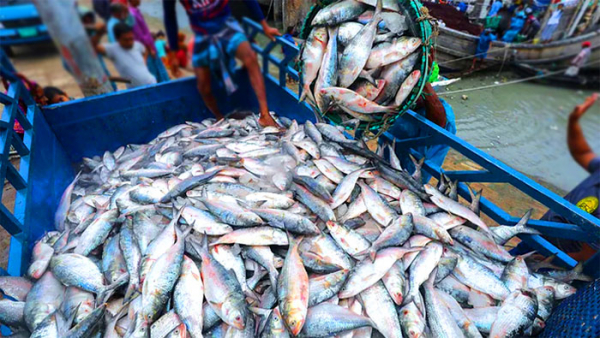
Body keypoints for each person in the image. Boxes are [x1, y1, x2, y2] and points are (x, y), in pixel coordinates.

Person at [163, 0, 281, 126]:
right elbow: (169, 16)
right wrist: (173, 53)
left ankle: (265, 114)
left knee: (251, 57)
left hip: (226, 25)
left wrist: (264, 25)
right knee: (203, 86)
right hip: (202, 34)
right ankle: (219, 118)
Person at [540, 94, 599, 262]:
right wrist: (574, 121)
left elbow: (587, 257)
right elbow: (582, 152)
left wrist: (544, 259)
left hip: (557, 260)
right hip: (539, 234)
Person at [385, 80, 456, 183]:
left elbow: (439, 123)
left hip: (413, 175)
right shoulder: (404, 106)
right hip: (387, 161)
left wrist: (422, 79)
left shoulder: (442, 114)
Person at [94, 23, 157, 89]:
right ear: (117, 38)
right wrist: (99, 34)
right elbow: (93, 47)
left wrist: (144, 60)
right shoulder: (113, 49)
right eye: (126, 40)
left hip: (152, 83)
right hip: (135, 90)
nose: (130, 42)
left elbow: (145, 50)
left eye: (131, 38)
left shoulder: (137, 45)